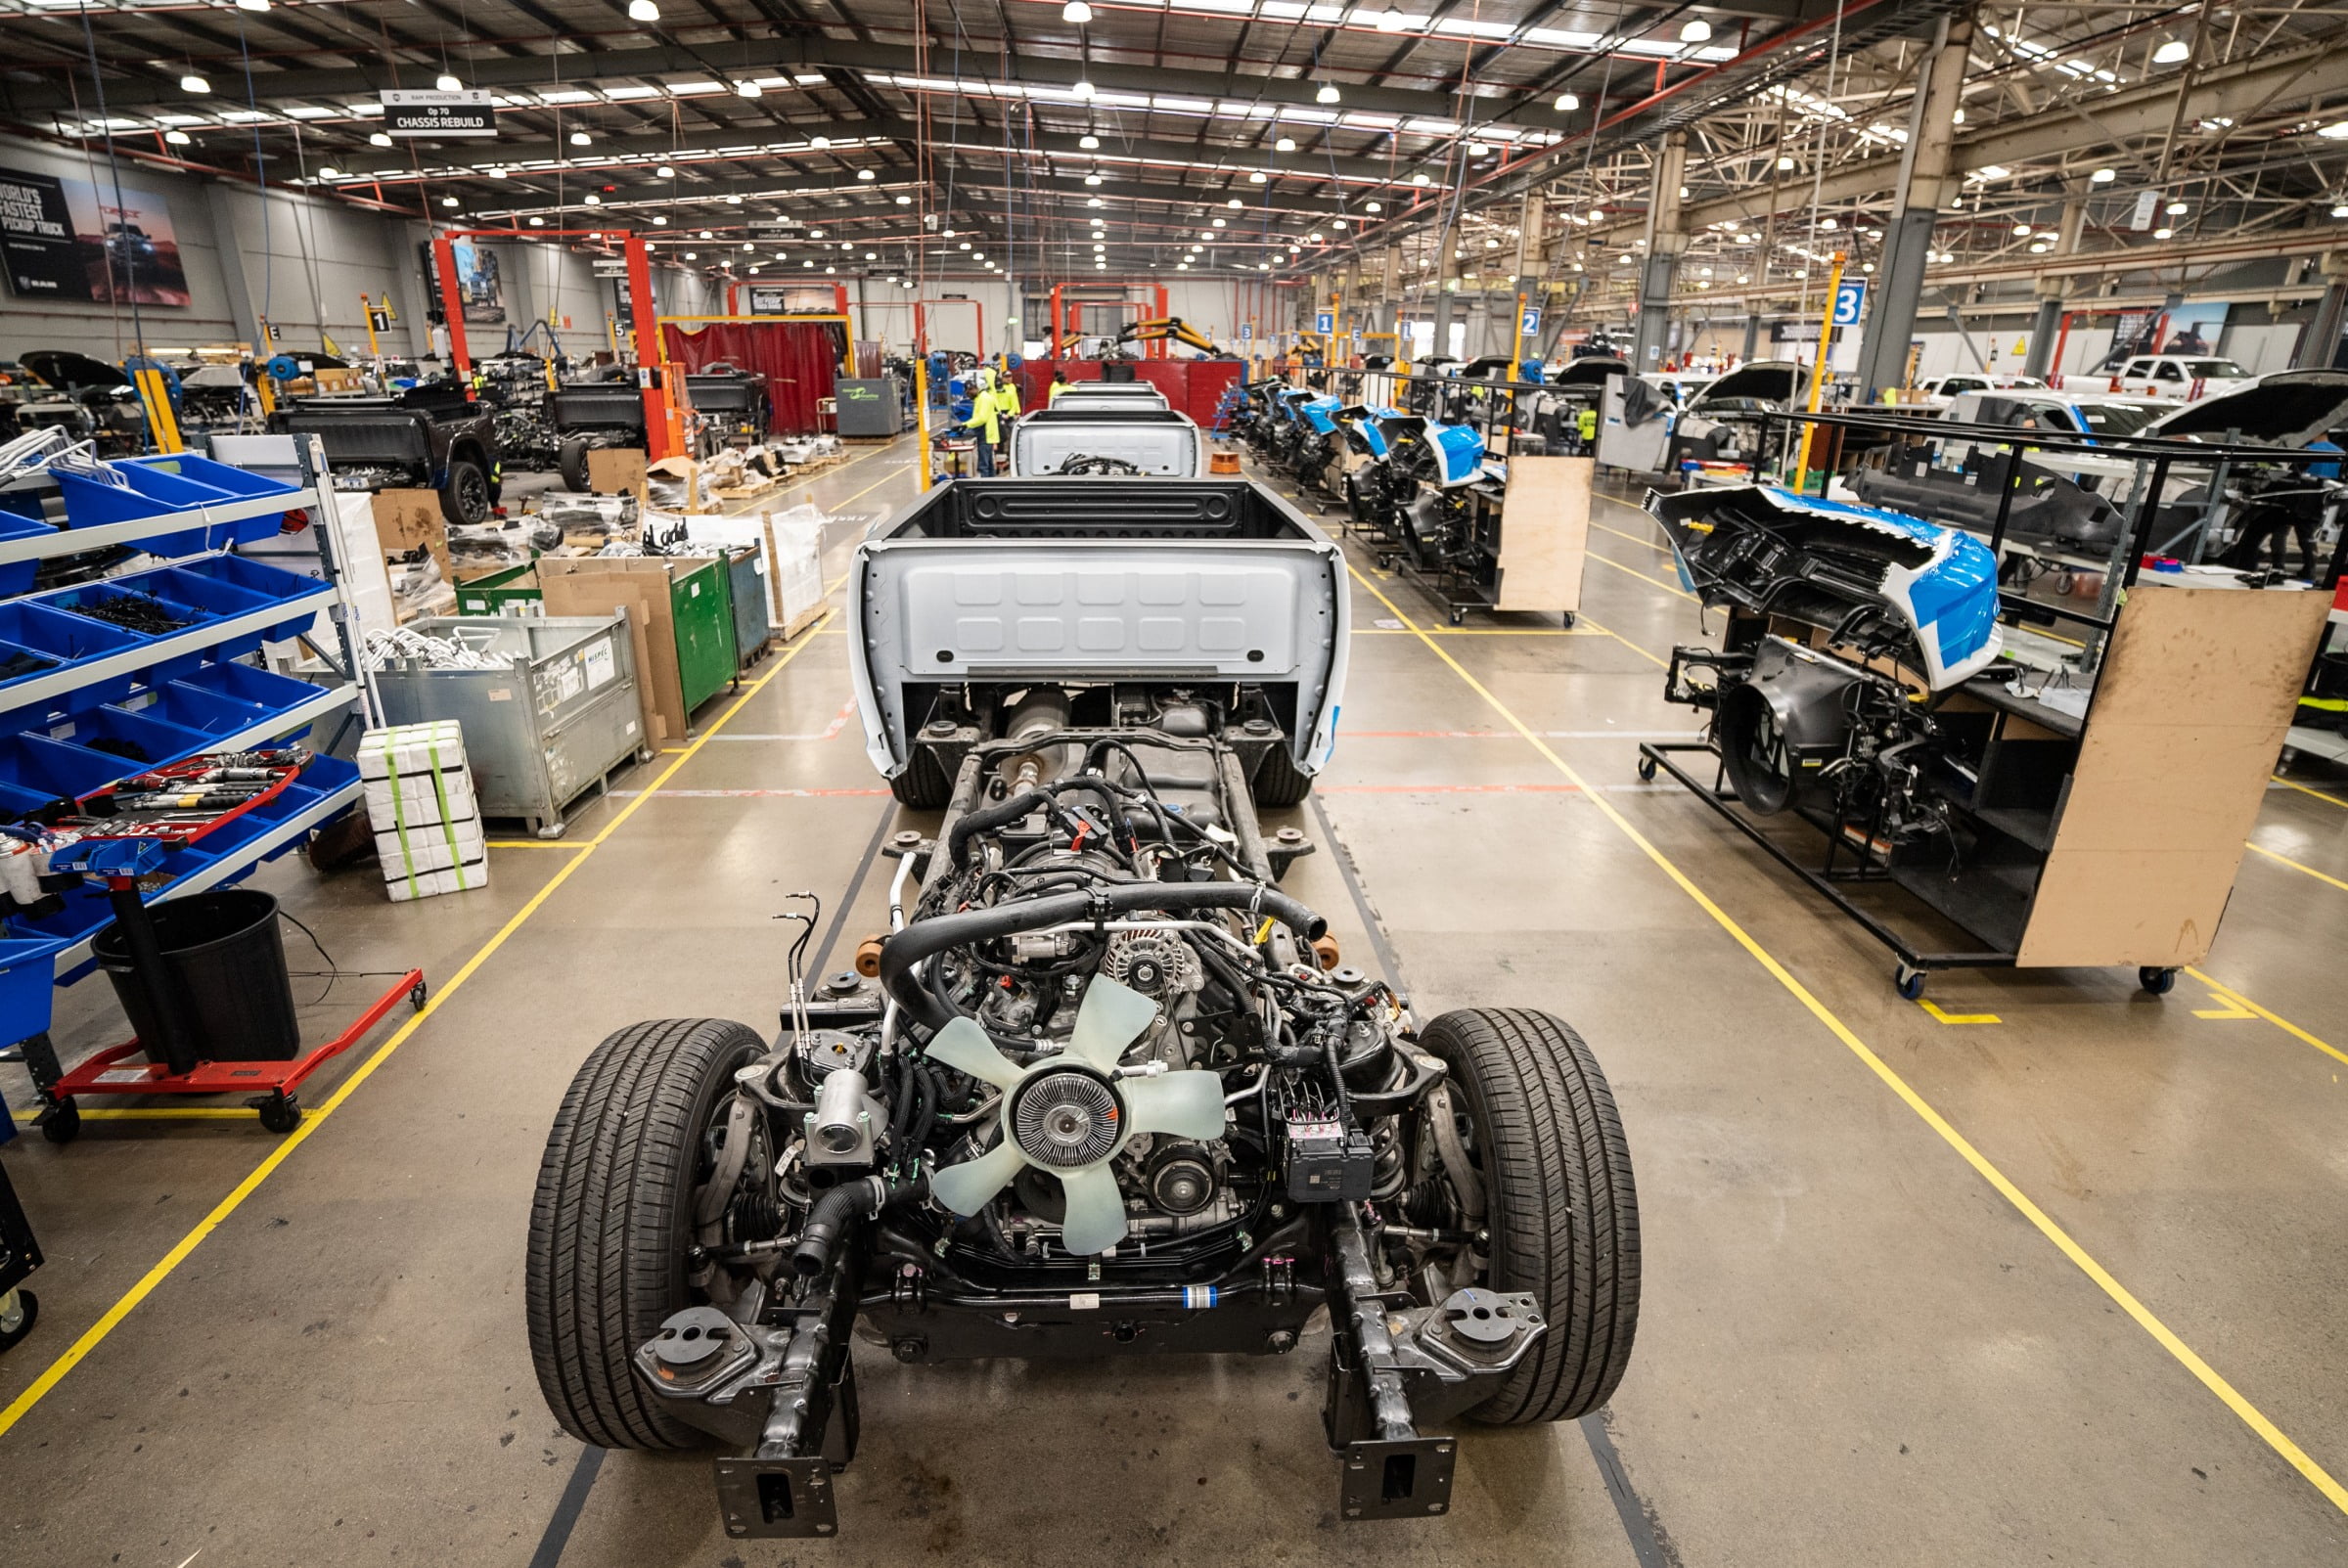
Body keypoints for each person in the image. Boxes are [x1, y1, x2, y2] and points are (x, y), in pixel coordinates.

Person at [964, 367, 1002, 476]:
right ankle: (992, 486)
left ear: (973, 389)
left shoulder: (984, 398)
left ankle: (986, 488)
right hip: (985, 433)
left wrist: (967, 424)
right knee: (988, 464)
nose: (968, 395)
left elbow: (982, 418)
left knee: (984, 465)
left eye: (968, 392)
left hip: (986, 434)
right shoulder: (980, 398)